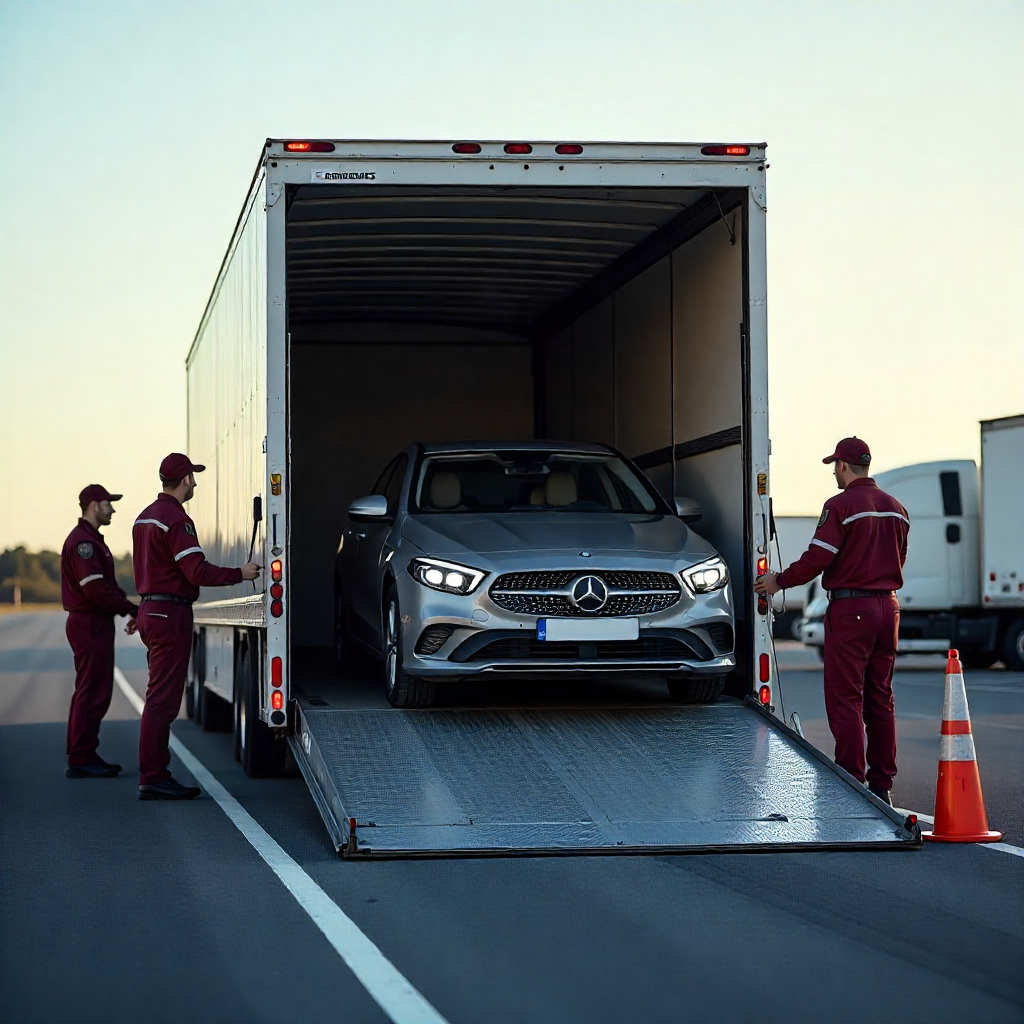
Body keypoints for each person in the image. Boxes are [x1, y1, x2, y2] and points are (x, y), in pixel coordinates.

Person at [754, 437, 909, 805]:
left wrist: (778, 581)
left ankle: (851, 782)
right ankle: (882, 786)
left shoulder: (840, 505)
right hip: (889, 608)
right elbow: (899, 556)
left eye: (835, 466)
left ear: (842, 465)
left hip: (852, 610)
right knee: (880, 698)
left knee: (846, 698)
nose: (835, 473)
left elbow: (818, 557)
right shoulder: (896, 508)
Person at [133, 454, 260, 800]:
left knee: (157, 697)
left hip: (150, 610)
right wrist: (240, 574)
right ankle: (154, 776)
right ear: (186, 479)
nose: (196, 483)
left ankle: (155, 772)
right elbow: (196, 571)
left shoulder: (144, 517)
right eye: (194, 476)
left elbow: (148, 571)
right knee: (162, 701)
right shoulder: (176, 519)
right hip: (169, 614)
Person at [61, 485, 140, 778]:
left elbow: (106, 585)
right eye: (108, 504)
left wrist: (128, 606)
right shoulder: (84, 542)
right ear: (94, 505)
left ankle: (82, 753)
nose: (113, 509)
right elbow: (94, 588)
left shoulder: (91, 540)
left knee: (93, 689)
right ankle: (81, 757)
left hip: (94, 622)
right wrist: (129, 608)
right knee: (92, 690)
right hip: (89, 623)